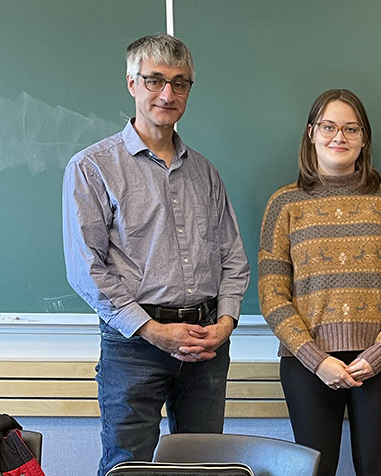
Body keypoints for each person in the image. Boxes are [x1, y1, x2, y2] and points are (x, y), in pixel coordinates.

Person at [62, 33, 250, 476]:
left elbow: (233, 257)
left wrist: (224, 323)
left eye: (180, 83)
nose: (168, 94)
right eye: (155, 80)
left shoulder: (205, 172)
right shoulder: (92, 168)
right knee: (129, 467)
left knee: (204, 467)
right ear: (132, 83)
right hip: (133, 346)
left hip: (206, 344)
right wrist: (151, 331)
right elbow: (86, 269)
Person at [258, 89, 381, 476]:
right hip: (307, 364)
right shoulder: (284, 204)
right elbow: (272, 294)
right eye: (329, 127)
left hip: (380, 362)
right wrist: (318, 361)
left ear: (364, 137)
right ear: (311, 133)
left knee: (376, 468)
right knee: (314, 470)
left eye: (352, 128)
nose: (340, 137)